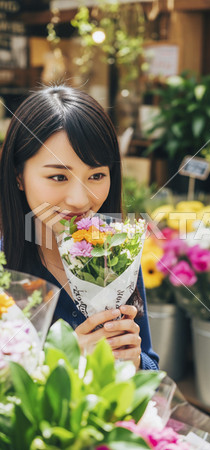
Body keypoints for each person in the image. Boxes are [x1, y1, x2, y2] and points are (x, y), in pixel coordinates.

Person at [0, 85, 159, 371]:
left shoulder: (117, 256)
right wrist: (61, 362)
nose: (80, 199)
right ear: (18, 176)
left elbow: (151, 371)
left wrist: (136, 361)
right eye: (59, 177)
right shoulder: (5, 272)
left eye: (96, 175)